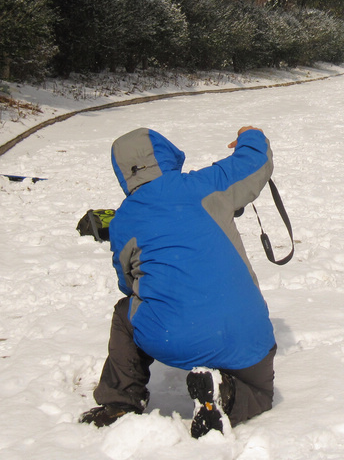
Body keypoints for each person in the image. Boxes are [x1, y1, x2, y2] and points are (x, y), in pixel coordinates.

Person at [79, 126, 277, 438]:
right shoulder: (205, 185)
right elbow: (255, 161)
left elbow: (127, 283)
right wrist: (250, 133)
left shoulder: (122, 221)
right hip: (243, 336)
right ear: (165, 154)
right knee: (260, 392)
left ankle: (120, 401)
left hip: (171, 337)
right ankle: (224, 393)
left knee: (125, 313)